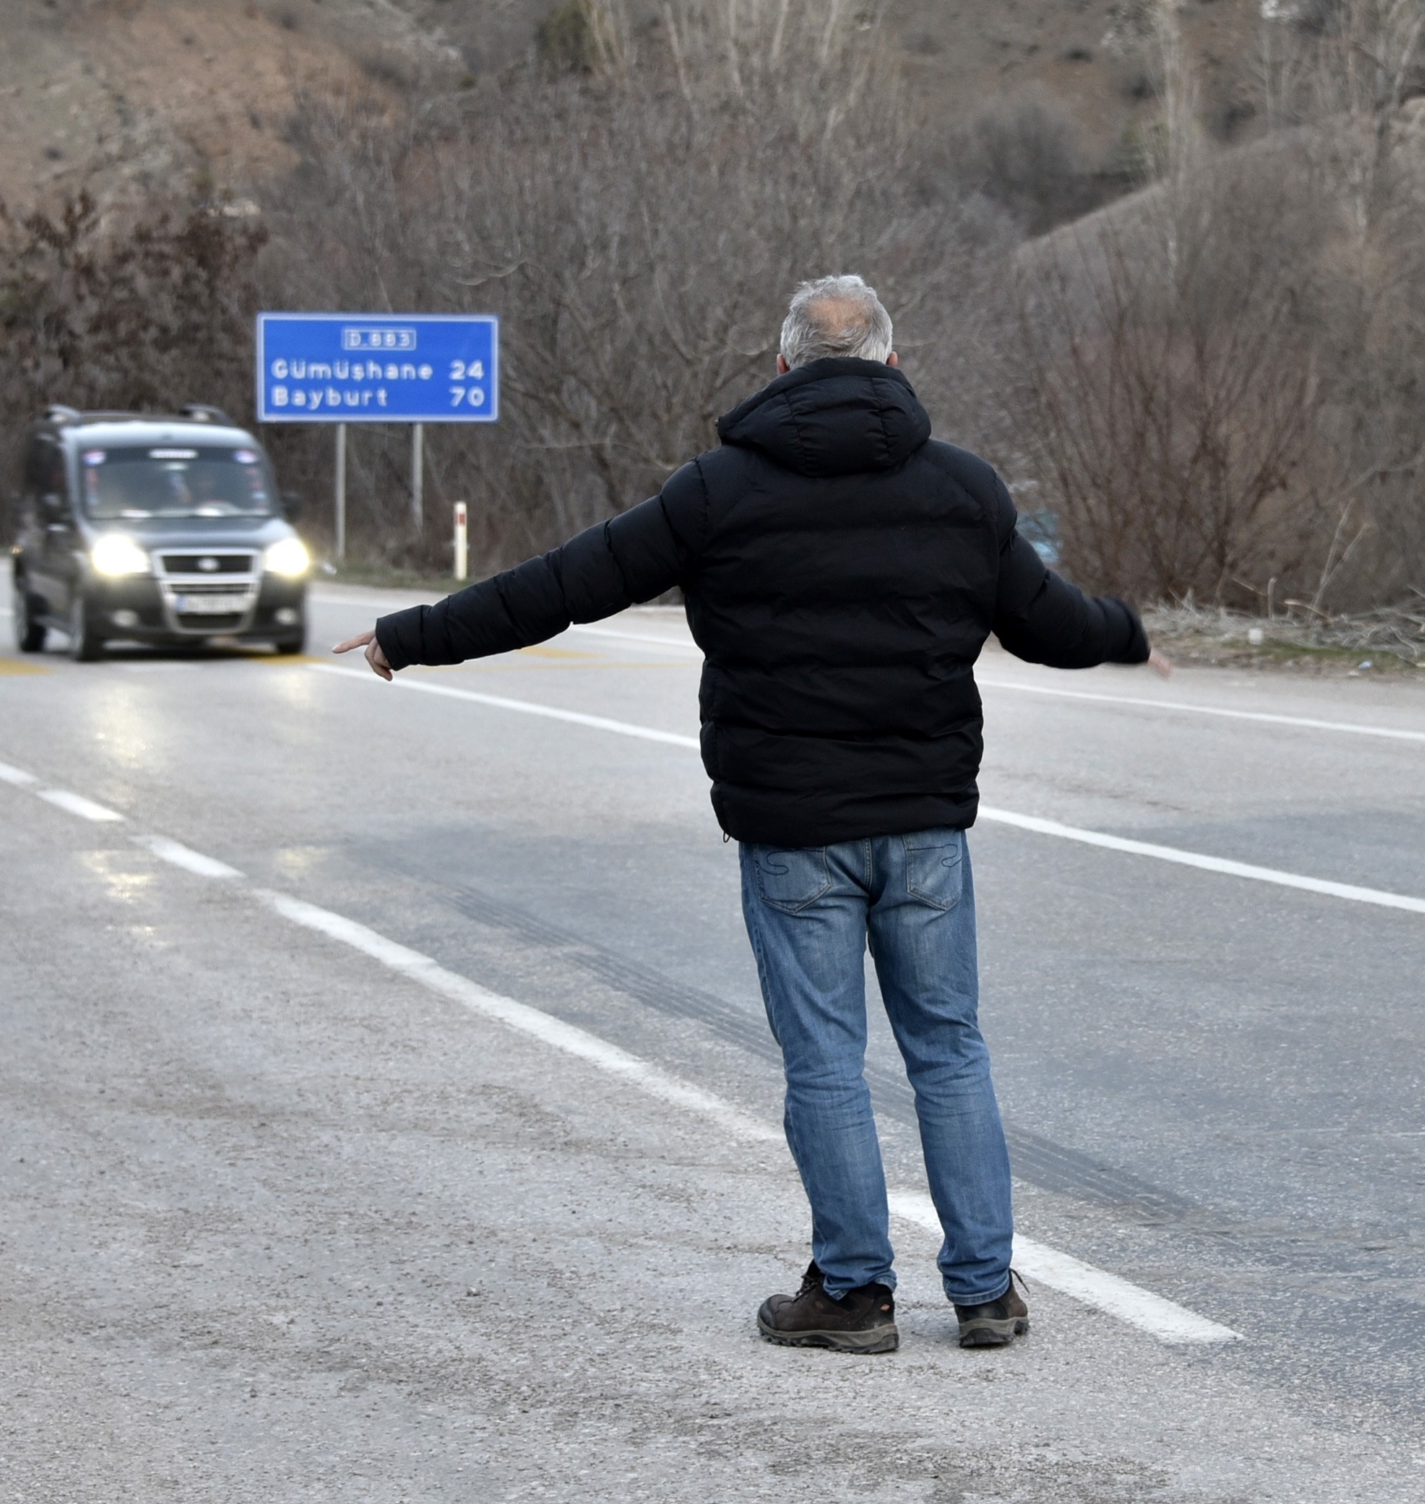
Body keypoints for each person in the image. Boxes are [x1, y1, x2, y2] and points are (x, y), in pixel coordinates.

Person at [336, 274, 1162, 1354]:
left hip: (793, 832)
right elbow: (1048, 625)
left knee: (824, 1058)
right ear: (892, 365)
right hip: (922, 828)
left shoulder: (719, 490)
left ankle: (854, 1295)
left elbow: (561, 585)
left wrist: (415, 633)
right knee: (948, 1050)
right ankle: (984, 1292)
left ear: (781, 368)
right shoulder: (963, 489)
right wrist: (1129, 632)